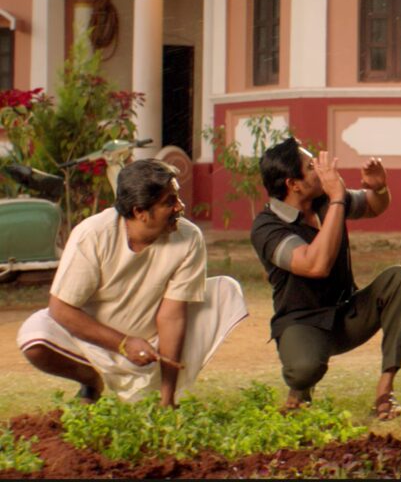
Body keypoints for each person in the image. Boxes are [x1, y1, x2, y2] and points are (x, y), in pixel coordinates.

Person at [16, 159, 248, 405]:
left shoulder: (189, 238)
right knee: (34, 337)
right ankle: (91, 381)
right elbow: (60, 308)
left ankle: (151, 387)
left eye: (178, 198)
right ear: (140, 212)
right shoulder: (92, 235)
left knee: (225, 291)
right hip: (92, 341)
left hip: (149, 346)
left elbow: (172, 316)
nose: (180, 207)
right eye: (169, 202)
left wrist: (167, 398)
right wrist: (123, 344)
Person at [250, 138, 401, 419]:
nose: (321, 168)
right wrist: (338, 198)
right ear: (293, 184)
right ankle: (300, 390)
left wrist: (379, 187)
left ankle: (385, 391)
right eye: (311, 166)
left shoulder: (324, 200)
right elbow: (315, 265)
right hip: (302, 322)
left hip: (346, 314)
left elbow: (375, 206)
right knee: (304, 370)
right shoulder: (266, 227)